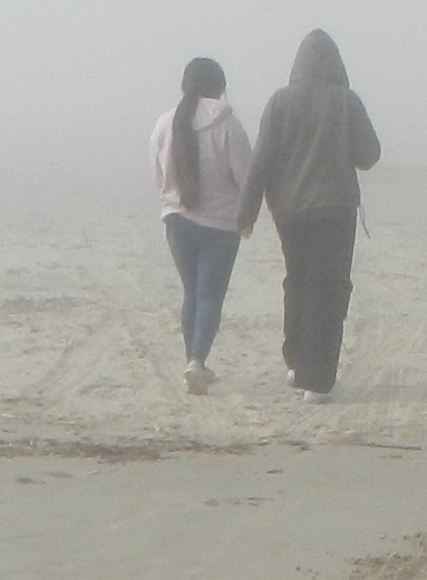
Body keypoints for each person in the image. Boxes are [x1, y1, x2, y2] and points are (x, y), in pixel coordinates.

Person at [241, 28, 381, 400]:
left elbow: (261, 160)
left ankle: (295, 361)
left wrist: (246, 214)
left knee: (298, 280)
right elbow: (369, 155)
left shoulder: (279, 101)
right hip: (335, 209)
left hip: (288, 211)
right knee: (329, 288)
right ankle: (316, 380)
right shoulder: (347, 101)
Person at [150, 55, 252, 392]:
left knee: (191, 291)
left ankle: (193, 363)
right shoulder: (229, 125)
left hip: (177, 220)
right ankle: (196, 361)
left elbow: (159, 176)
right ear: (219, 87)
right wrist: (247, 215)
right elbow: (245, 176)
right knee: (210, 295)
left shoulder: (165, 123)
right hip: (220, 223)